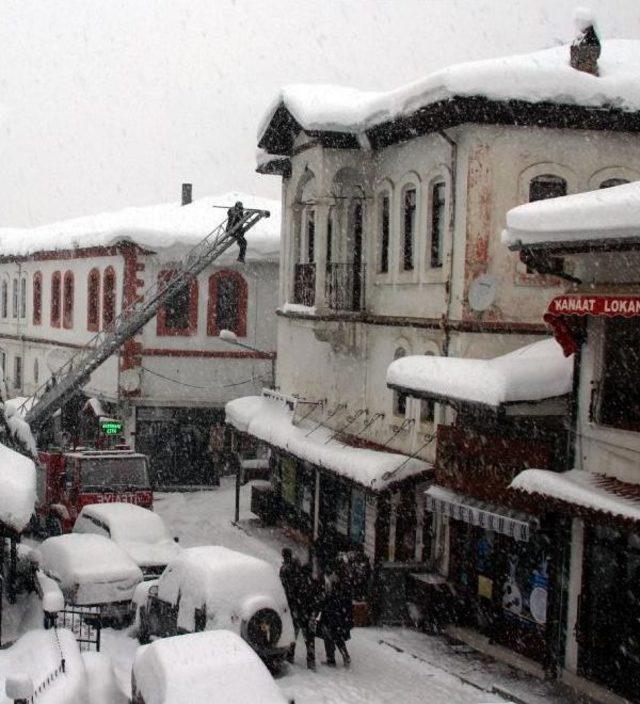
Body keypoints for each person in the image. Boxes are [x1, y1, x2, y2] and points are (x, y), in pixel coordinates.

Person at [319, 561, 353, 667]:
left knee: (328, 635)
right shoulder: (342, 581)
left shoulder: (332, 581)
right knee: (338, 635)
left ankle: (331, 659)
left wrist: (324, 600)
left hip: (331, 612)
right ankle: (344, 656)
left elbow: (328, 597)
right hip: (338, 613)